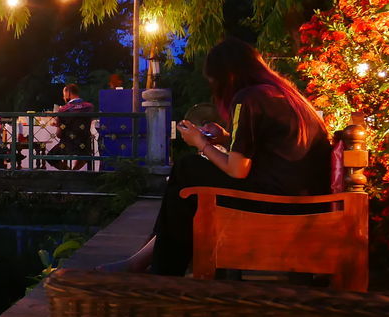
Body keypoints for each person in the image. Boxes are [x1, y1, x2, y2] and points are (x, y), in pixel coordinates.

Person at [116, 38, 332, 276]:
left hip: (275, 203)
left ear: (227, 76)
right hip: (300, 198)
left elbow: (238, 170)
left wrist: (200, 143)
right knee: (188, 181)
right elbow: (275, 150)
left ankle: (161, 270)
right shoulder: (286, 96)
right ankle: (148, 261)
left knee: (188, 169)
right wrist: (225, 140)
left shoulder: (248, 98)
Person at [47, 83, 95, 170]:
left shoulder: (63, 110)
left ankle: (69, 172)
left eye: (64, 94)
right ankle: (74, 172)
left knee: (50, 157)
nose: (63, 97)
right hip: (85, 145)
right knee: (85, 155)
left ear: (68, 93)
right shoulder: (89, 107)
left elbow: (59, 134)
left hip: (68, 145)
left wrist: (58, 123)